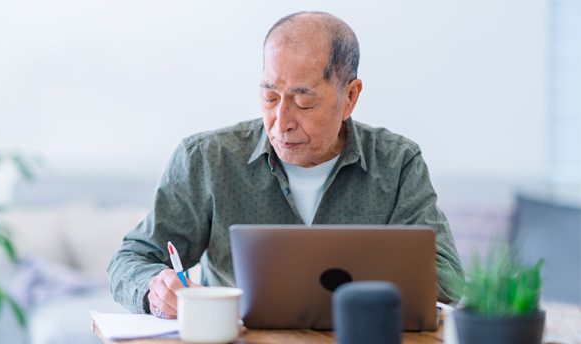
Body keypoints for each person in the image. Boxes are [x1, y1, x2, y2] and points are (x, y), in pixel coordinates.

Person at [108, 11, 464, 319]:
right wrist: (154, 289)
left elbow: (447, 279)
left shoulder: (398, 162)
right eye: (270, 97)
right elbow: (132, 258)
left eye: (303, 102)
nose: (281, 121)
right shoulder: (205, 158)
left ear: (350, 98)